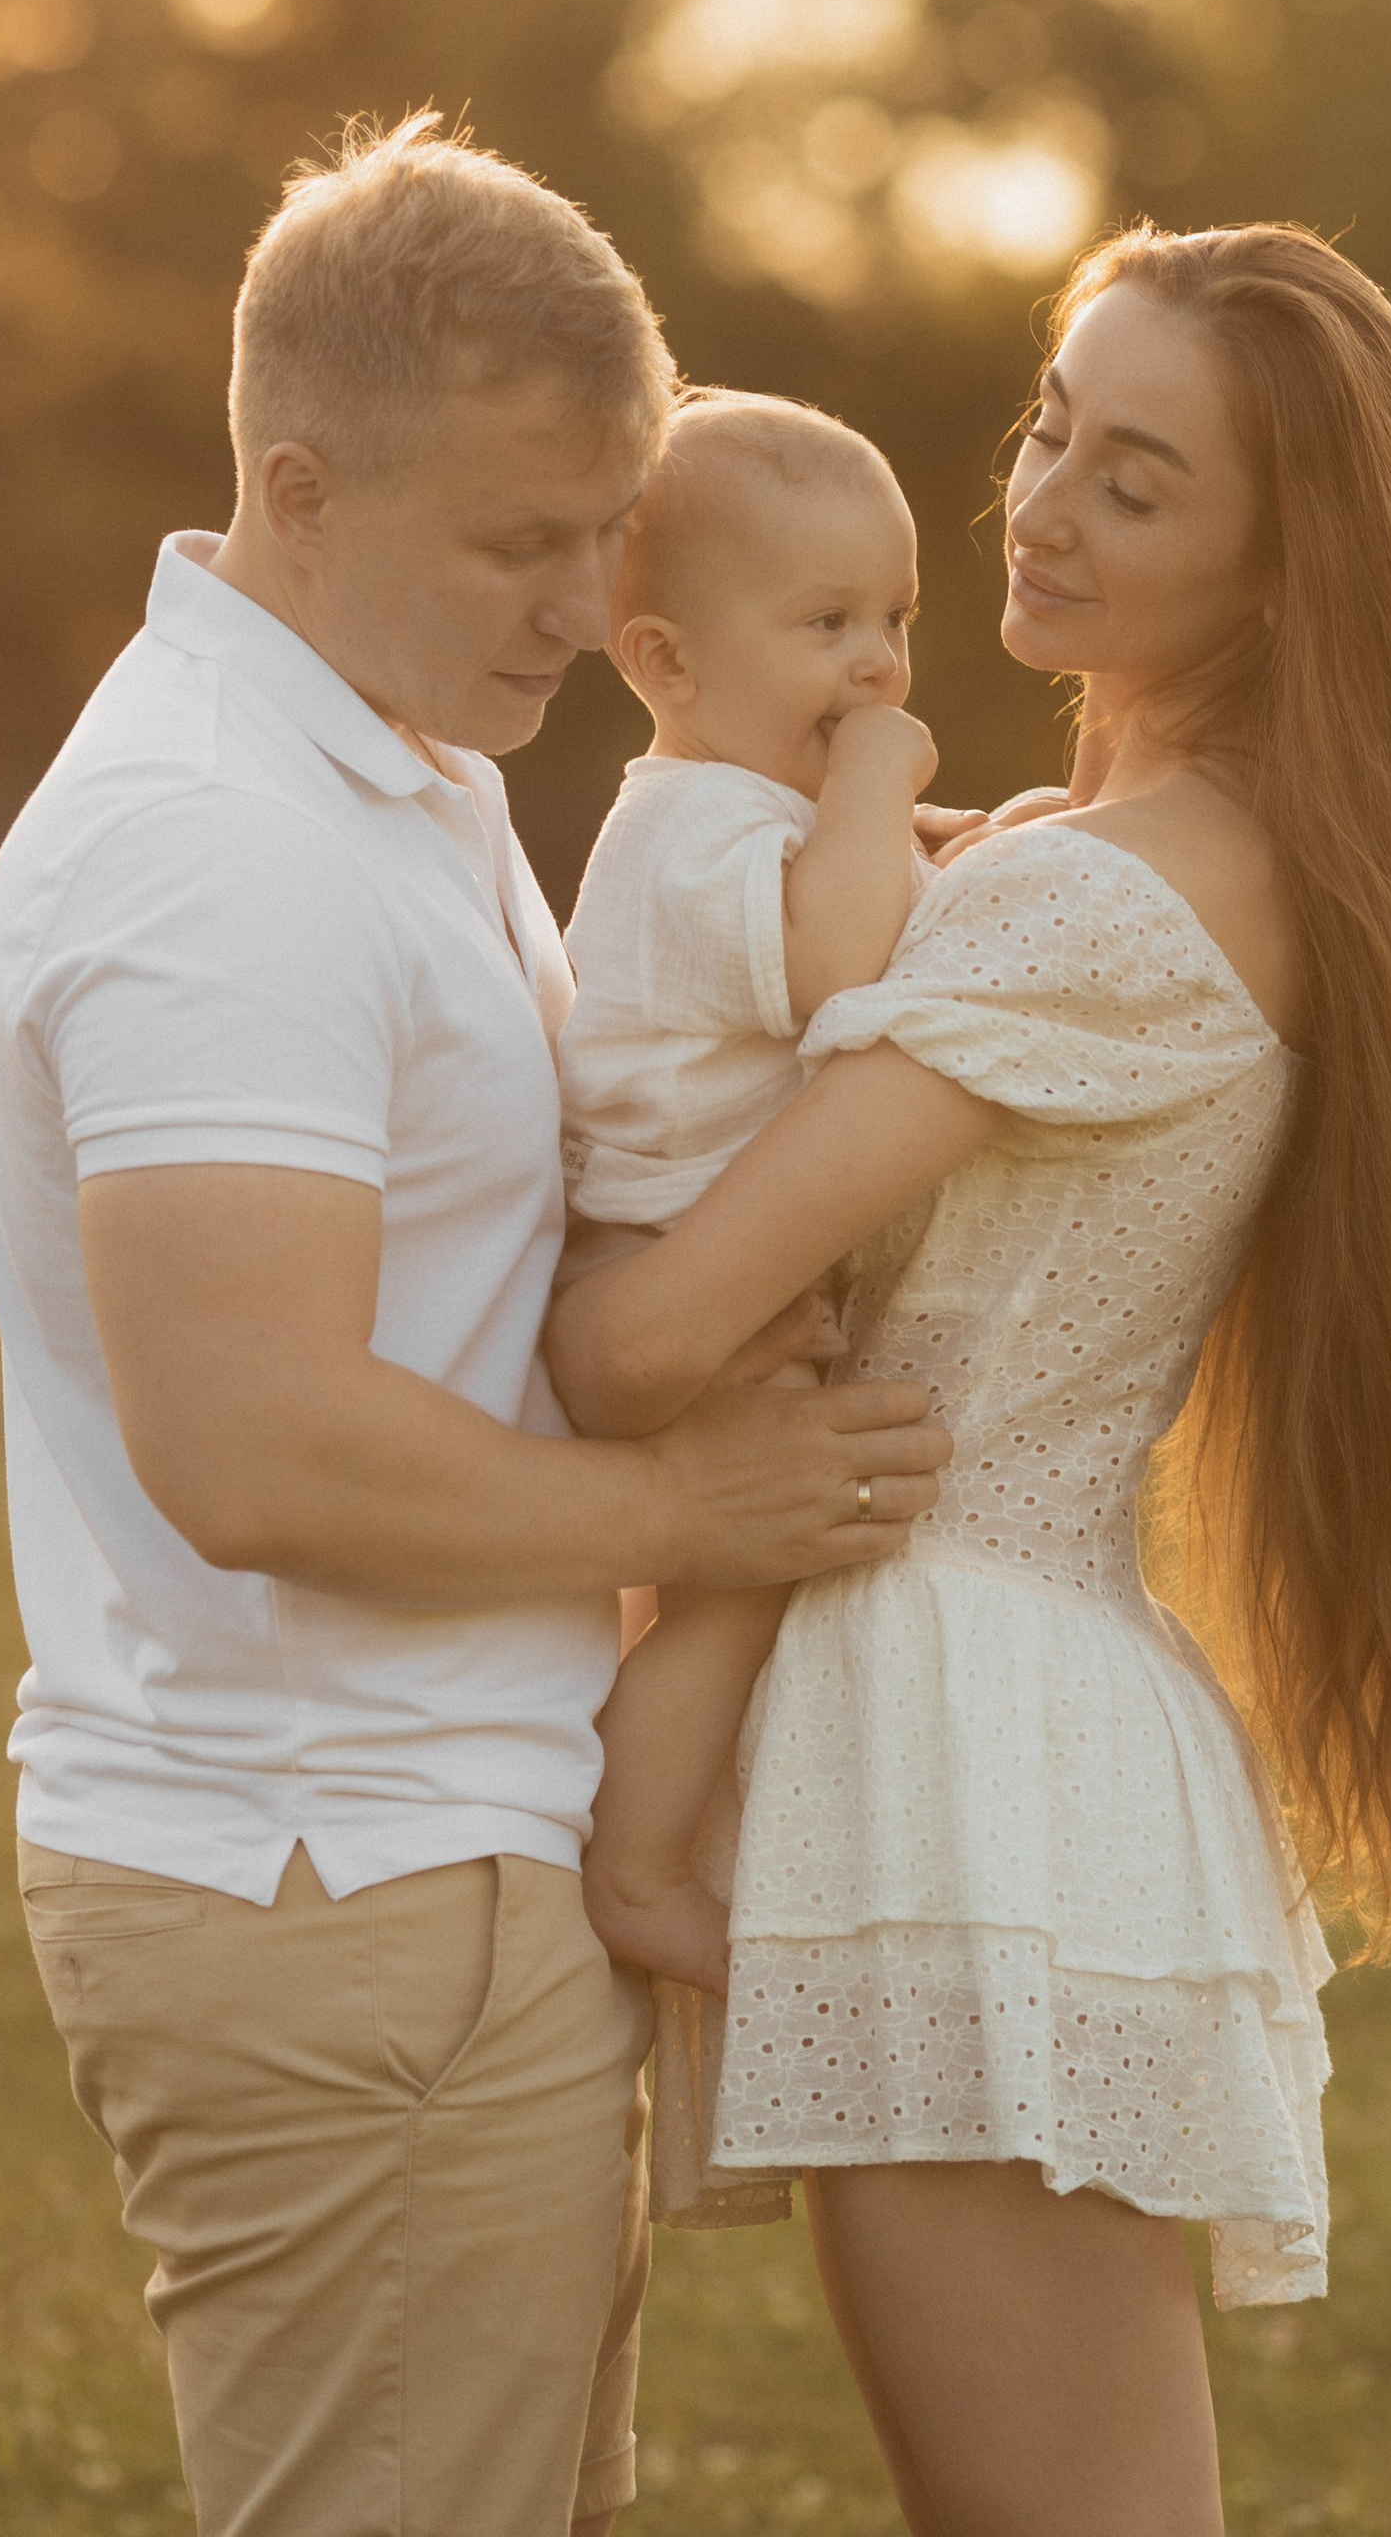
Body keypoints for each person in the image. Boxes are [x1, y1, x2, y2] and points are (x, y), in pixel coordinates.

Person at [549, 220, 1391, 2537]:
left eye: (1136, 482)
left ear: (1271, 565)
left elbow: (635, 1341)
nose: (1038, 503)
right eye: (1050, 424)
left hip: (955, 1753)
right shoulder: (1100, 857)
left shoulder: (1103, 897)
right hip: (995, 1706)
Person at [0, 116, 951, 2537]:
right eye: (517, 544)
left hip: (431, 1855)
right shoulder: (219, 843)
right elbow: (253, 1446)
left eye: (597, 536)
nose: (570, 605)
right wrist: (676, 1505)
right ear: (297, 494)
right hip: (328, 1882)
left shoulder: (398, 766)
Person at [554, 392, 942, 2005]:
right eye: (828, 624)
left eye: (898, 620)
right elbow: (839, 953)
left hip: (707, 1247)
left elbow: (870, 900)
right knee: (730, 1588)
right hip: (668, 1260)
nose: (878, 667)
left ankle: (666, 1841)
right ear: (666, 667)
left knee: (748, 1582)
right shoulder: (691, 827)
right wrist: (890, 785)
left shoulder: (757, 816)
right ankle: (636, 1871)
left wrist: (933, 831)